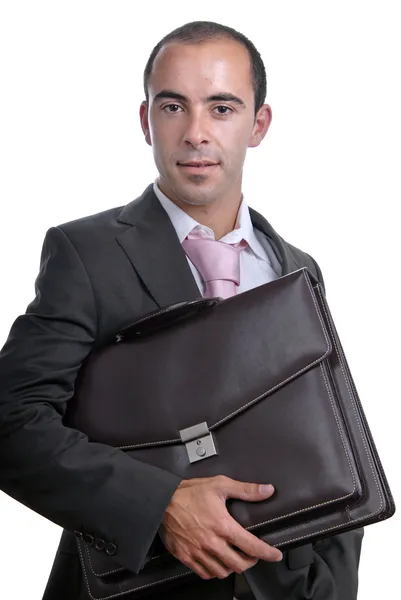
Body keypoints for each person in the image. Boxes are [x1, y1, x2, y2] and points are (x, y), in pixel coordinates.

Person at [0, 20, 363, 600]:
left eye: (222, 108)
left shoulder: (300, 271)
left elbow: (339, 436)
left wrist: (333, 587)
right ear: (146, 120)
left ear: (258, 124)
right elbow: (11, 420)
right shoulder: (87, 253)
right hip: (139, 584)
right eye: (174, 107)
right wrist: (158, 505)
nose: (196, 133)